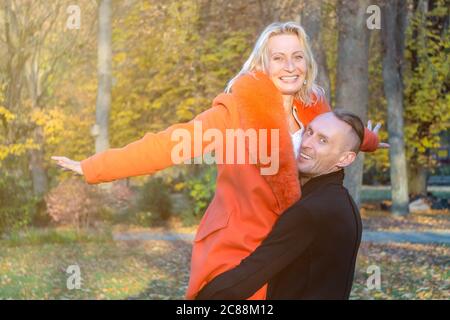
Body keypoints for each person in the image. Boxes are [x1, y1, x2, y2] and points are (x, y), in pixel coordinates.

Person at [52, 22, 385, 300]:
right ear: (262, 65)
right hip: (240, 243)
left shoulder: (314, 108)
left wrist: (369, 140)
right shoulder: (234, 112)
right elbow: (168, 145)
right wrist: (95, 167)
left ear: (307, 63)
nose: (290, 66)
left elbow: (342, 134)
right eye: (279, 58)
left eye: (297, 57)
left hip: (287, 248)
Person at [196, 110, 367, 300]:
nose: (307, 144)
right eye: (309, 132)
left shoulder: (311, 212)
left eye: (323, 140)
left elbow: (247, 278)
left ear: (345, 159)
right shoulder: (338, 202)